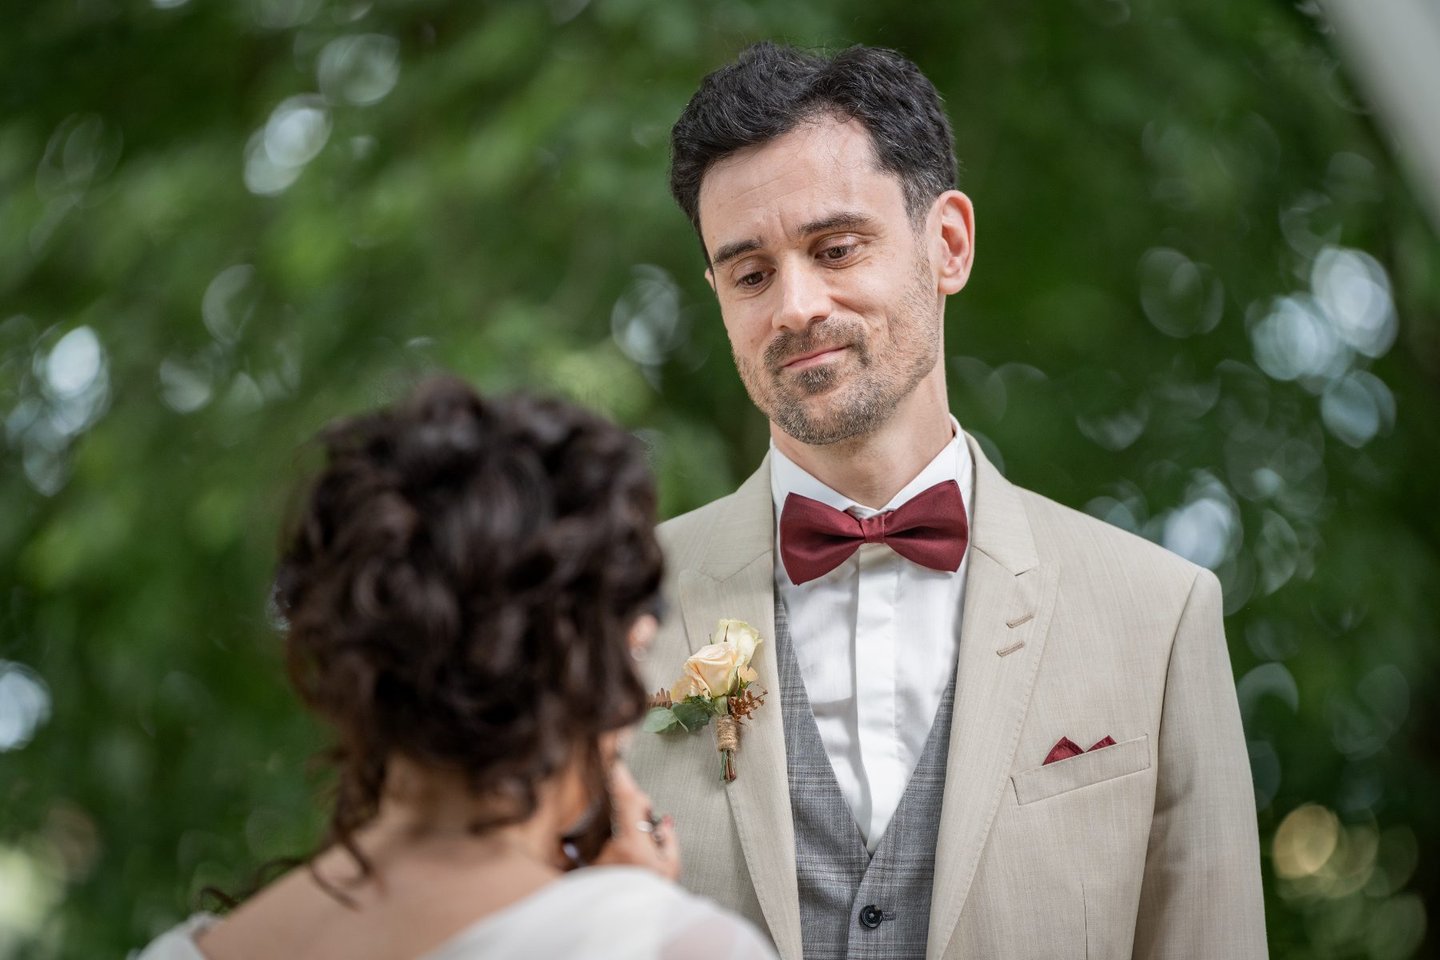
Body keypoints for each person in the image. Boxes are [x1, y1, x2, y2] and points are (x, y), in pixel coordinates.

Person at [625, 42, 1268, 960]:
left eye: (835, 249)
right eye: (751, 274)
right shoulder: (605, 610)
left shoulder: (1158, 617)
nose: (795, 306)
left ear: (949, 245)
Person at [136, 378, 778, 960]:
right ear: (598, 668)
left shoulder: (186, 950)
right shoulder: (679, 946)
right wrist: (633, 923)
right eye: (636, 652)